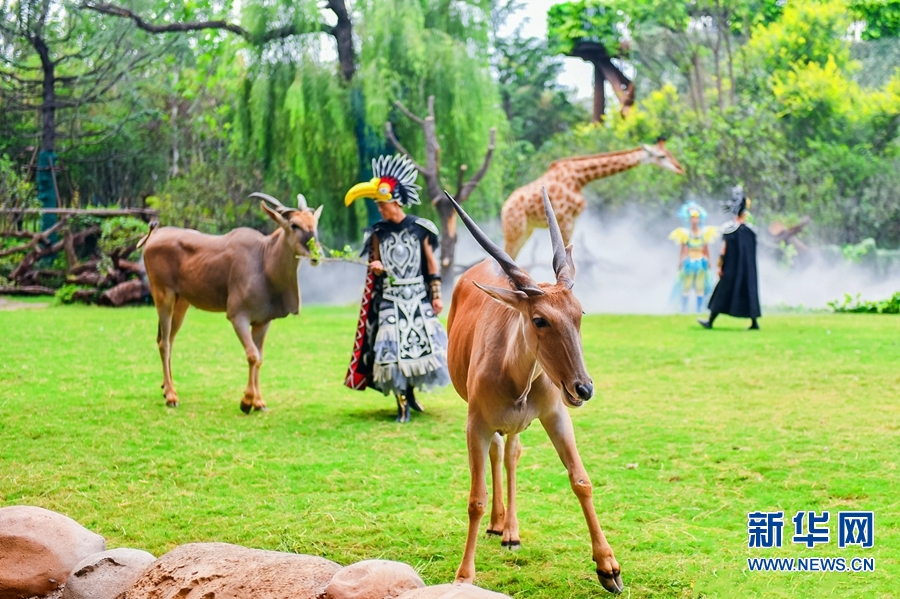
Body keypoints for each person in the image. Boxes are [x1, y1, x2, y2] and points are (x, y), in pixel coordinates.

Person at [343, 154, 451, 422]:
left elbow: (430, 263)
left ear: (397, 201)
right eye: (378, 205)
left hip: (417, 297)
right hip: (390, 299)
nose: (380, 209)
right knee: (393, 351)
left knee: (420, 348)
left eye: (383, 205)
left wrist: (436, 296)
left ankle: (412, 394)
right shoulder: (377, 232)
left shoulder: (421, 228)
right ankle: (401, 400)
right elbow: (375, 261)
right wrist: (376, 266)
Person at [698, 186, 761, 330]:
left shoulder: (731, 229)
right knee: (748, 291)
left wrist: (720, 265)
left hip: (732, 269)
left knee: (722, 291)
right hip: (747, 270)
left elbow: (724, 249)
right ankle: (754, 322)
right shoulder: (751, 231)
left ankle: (710, 321)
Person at [669, 202, 718, 313]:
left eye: (696, 218)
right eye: (692, 218)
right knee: (686, 286)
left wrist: (709, 261)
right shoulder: (685, 234)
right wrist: (680, 261)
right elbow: (683, 249)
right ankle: (684, 309)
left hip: (701, 262)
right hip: (689, 262)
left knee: (700, 287)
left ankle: (699, 310)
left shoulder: (704, 233)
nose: (694, 220)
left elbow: (706, 248)